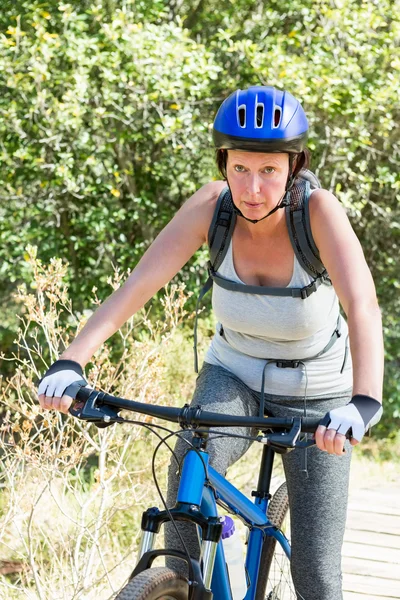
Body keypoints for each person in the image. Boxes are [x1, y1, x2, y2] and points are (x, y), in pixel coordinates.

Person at [38, 86, 384, 600]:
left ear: (294, 167)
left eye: (269, 171)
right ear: (223, 163)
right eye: (240, 168)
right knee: (188, 480)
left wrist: (363, 401)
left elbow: (363, 306)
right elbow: (136, 289)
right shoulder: (212, 209)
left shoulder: (318, 213)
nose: (252, 187)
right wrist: (71, 360)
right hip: (235, 373)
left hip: (320, 393)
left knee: (317, 573)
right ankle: (181, 582)